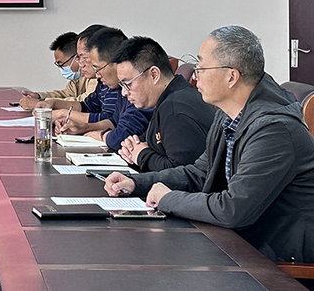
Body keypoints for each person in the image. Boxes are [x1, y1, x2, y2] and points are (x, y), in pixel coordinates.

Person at [105, 26, 314, 264]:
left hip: (279, 259)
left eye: (202, 68)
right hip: (244, 241)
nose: (195, 76)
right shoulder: (229, 113)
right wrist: (137, 183)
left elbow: (232, 210)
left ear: (231, 77)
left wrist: (167, 198)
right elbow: (200, 173)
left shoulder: (274, 129)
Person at [112, 36, 215, 171]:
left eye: (127, 84)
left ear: (154, 75)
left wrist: (141, 155)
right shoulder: (170, 97)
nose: (124, 93)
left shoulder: (175, 110)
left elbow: (181, 173)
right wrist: (130, 147)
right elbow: (146, 142)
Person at [35, 24, 118, 128]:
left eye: (83, 57)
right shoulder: (102, 82)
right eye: (78, 57)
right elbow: (86, 106)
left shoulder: (116, 83)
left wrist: (63, 114)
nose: (80, 63)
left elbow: (109, 120)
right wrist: (53, 103)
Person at [19, 31, 97, 110]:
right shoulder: (78, 77)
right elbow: (67, 94)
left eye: (61, 64)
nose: (82, 62)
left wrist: (42, 102)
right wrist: (39, 96)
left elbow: (85, 103)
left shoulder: (95, 75)